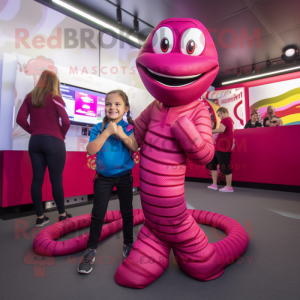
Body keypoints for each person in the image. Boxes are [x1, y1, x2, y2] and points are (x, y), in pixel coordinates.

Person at [78, 90, 138, 274]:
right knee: (98, 213)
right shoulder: (98, 127)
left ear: (126, 108)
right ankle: (91, 249)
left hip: (124, 176)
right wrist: (107, 132)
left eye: (117, 104)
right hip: (103, 178)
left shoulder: (129, 128)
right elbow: (90, 150)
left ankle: (128, 244)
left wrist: (121, 134)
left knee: (127, 212)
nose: (112, 107)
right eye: (108, 104)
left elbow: (135, 147)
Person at [16, 70, 71, 227]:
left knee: (37, 180)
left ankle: (40, 218)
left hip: (35, 142)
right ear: (54, 83)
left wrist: (33, 131)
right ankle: (62, 215)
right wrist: (61, 135)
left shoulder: (29, 97)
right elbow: (66, 122)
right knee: (56, 180)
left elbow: (20, 119)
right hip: (54, 141)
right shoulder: (55, 97)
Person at [206, 107, 234, 192]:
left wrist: (210, 131)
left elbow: (221, 130)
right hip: (218, 148)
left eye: (219, 115)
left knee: (225, 167)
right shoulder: (229, 121)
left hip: (223, 148)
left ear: (223, 112)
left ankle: (229, 187)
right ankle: (214, 184)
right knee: (212, 165)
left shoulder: (226, 120)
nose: (219, 117)